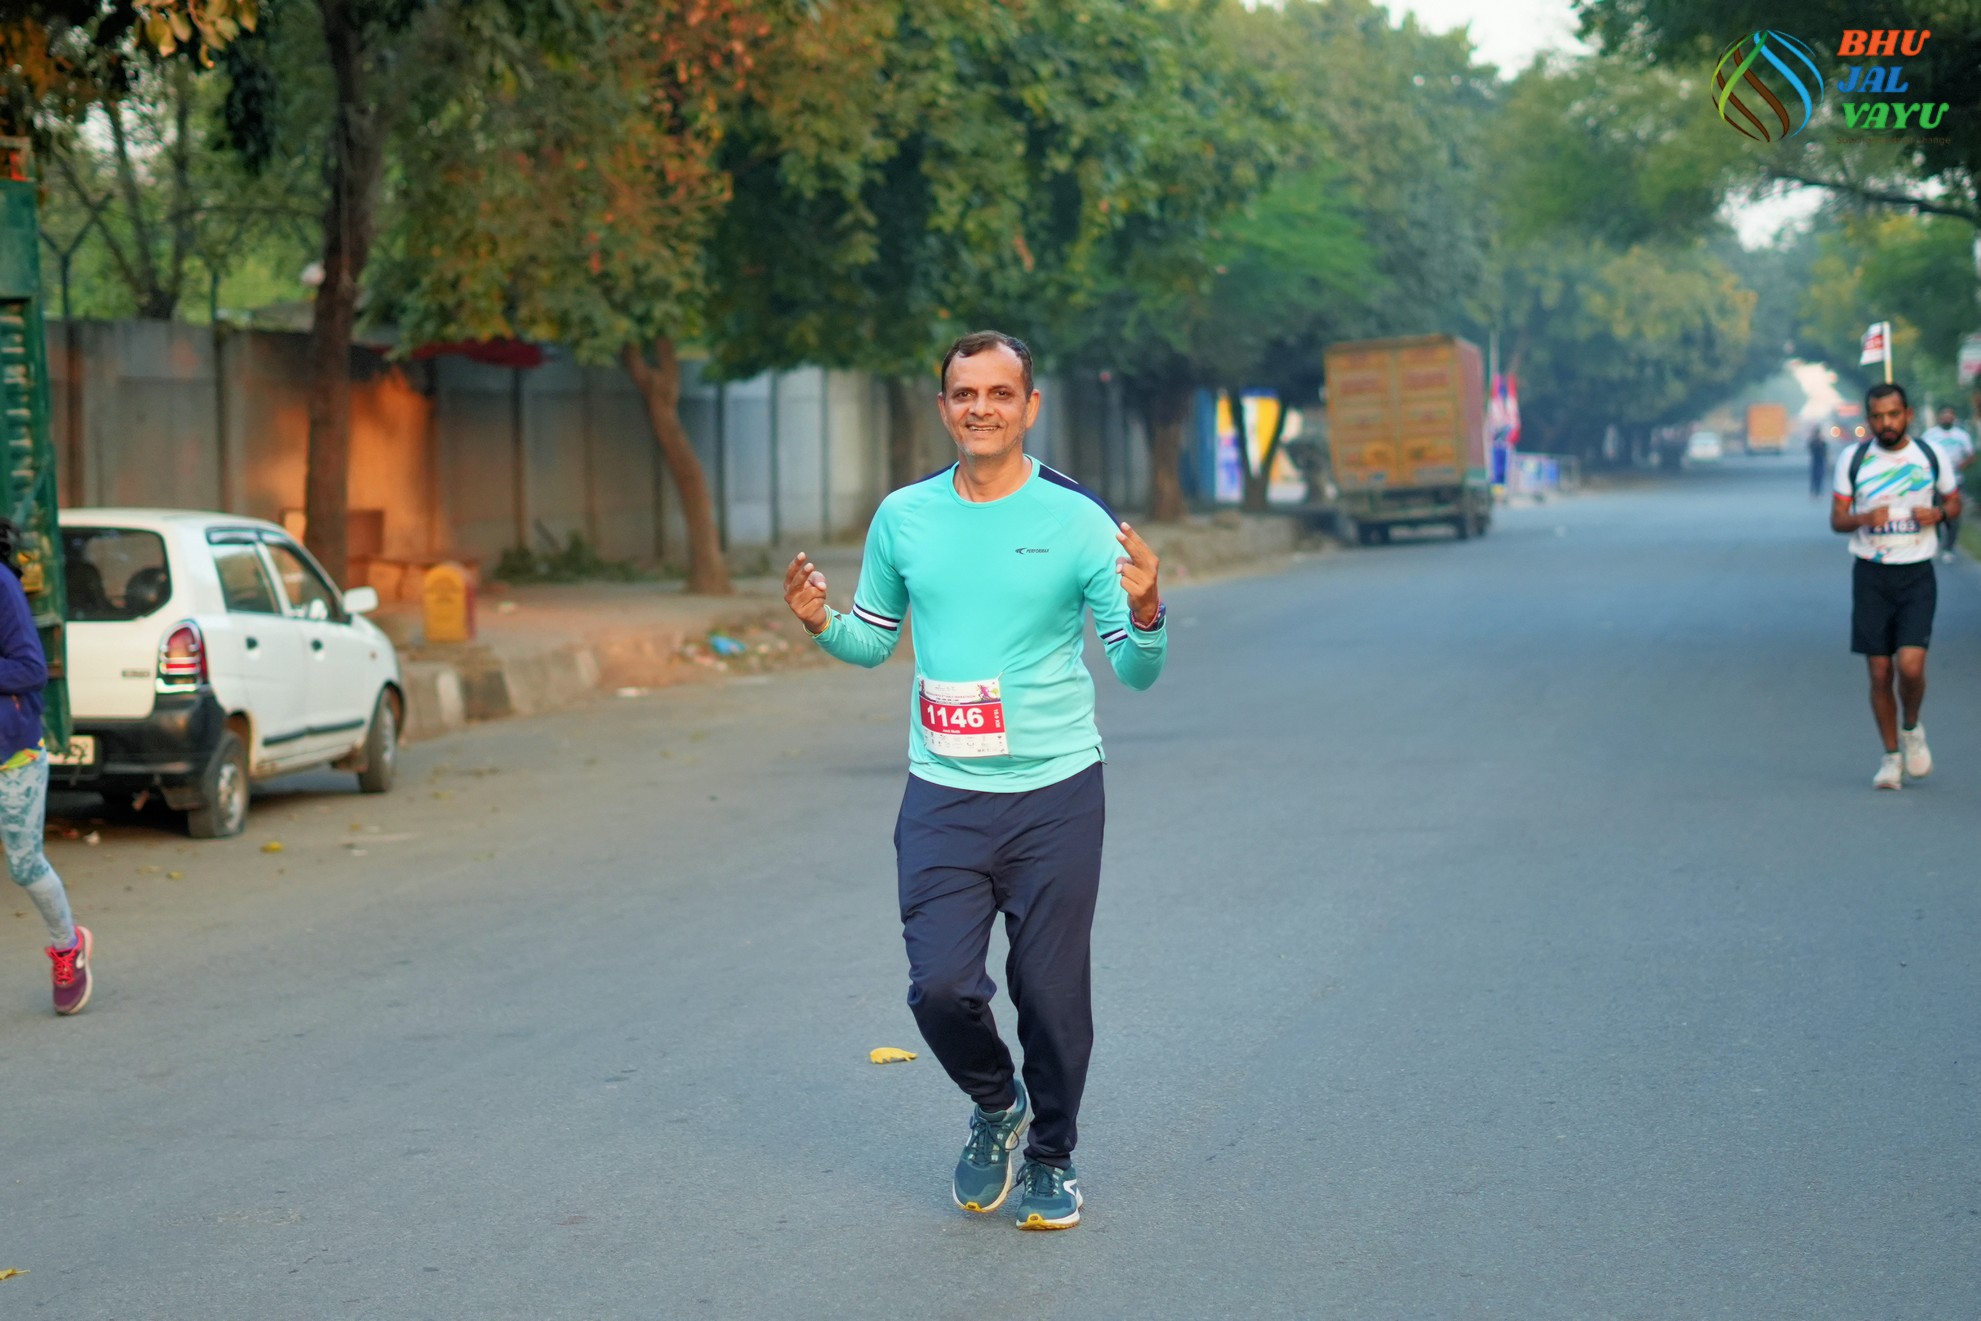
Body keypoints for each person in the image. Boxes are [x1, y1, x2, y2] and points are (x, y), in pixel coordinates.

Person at [783, 330, 1166, 1230]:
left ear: (1030, 407)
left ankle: (1052, 1156)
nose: (981, 408)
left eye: (1000, 393)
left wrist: (1147, 607)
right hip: (943, 793)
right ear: (944, 407)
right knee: (939, 987)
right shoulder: (903, 517)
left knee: (1050, 995)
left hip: (1055, 792)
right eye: (965, 393)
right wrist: (818, 620)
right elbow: (872, 640)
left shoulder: (1078, 521)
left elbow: (1136, 669)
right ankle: (998, 1104)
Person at [1831, 383, 1963, 790]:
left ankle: (1912, 728)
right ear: (1868, 419)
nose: (1885, 423)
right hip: (1871, 574)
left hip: (1916, 572)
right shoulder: (1853, 459)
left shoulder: (1930, 455)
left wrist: (1938, 514)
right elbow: (1837, 519)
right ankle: (1890, 758)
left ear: (1907, 415)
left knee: (1910, 665)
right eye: (1877, 416)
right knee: (1879, 670)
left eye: (1892, 414)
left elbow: (1954, 502)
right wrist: (1863, 518)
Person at [0, 519, 91, 1011]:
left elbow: (31, 669)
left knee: (24, 865)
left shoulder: (1, 584)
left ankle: (67, 946)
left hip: (10, 755)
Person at [1920, 405, 1975, 561]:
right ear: (1939, 417)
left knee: (1953, 514)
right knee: (1935, 512)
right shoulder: (1930, 435)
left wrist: (1961, 466)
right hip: (1934, 482)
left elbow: (1970, 455)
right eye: (1944, 415)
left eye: (1950, 415)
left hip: (1955, 481)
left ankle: (1949, 548)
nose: (1947, 418)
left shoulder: (1961, 436)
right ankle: (1935, 543)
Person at [1807, 425, 1830, 498]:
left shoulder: (1821, 442)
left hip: (1820, 461)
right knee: (1815, 477)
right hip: (1816, 461)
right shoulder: (1814, 442)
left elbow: (1825, 452)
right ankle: (1814, 492)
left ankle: (1818, 492)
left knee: (1819, 477)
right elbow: (1810, 449)